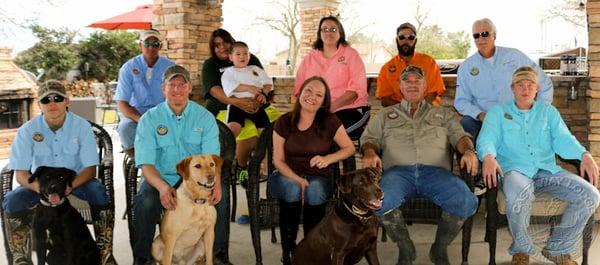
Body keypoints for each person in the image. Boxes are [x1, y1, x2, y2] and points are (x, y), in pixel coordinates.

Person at [477, 66, 600, 265]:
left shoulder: (548, 112)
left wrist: (583, 154)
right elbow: (487, 139)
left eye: (530, 85)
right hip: (514, 171)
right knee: (520, 195)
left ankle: (557, 249)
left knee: (591, 195)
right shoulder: (498, 112)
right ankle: (521, 250)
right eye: (520, 85)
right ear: (513, 88)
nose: (525, 89)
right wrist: (489, 156)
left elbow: (563, 139)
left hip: (546, 170)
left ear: (537, 89)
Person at [361, 66, 479, 265]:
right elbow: (369, 139)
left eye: (418, 81)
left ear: (425, 87)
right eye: (407, 81)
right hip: (397, 174)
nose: (412, 84)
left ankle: (439, 247)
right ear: (400, 87)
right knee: (377, 201)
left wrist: (468, 151)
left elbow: (460, 137)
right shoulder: (385, 114)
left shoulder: (443, 114)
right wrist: (370, 152)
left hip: (436, 174)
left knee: (467, 202)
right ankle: (405, 246)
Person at [3, 80, 116, 265]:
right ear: (39, 104)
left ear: (67, 101)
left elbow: (90, 169)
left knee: (99, 192)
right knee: (12, 200)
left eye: (57, 98)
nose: (52, 103)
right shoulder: (27, 131)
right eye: (46, 100)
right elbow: (21, 174)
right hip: (41, 185)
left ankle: (104, 254)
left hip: (77, 181)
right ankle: (20, 257)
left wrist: (69, 187)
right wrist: (43, 191)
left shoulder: (81, 127)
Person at [132, 65, 221, 265]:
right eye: (172, 85)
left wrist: (216, 184)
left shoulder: (204, 117)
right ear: (163, 88)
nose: (177, 89)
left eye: (182, 84)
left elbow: (213, 160)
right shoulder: (149, 119)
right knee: (145, 202)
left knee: (218, 201)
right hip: (160, 177)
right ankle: (142, 258)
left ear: (190, 88)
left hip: (195, 181)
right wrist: (163, 187)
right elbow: (146, 163)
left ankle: (218, 255)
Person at [268, 76, 355, 265]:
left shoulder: (330, 121)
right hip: (286, 174)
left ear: (324, 101)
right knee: (292, 188)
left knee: (314, 191)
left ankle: (310, 249)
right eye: (308, 90)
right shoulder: (284, 121)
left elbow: (349, 148)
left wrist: (328, 159)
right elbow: (278, 160)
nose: (312, 97)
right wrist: (298, 180)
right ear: (299, 92)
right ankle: (289, 251)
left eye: (319, 94)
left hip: (318, 177)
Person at [201, 28, 280, 190]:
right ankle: (242, 167)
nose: (222, 47)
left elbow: (265, 84)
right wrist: (239, 103)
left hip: (256, 105)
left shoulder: (250, 60)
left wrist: (257, 102)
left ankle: (271, 164)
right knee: (246, 132)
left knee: (278, 124)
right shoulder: (211, 65)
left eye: (225, 42)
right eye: (217, 45)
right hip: (225, 107)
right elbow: (216, 91)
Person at [455, 18, 553, 140]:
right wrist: (480, 115)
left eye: (485, 34)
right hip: (483, 118)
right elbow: (461, 101)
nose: (481, 39)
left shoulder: (515, 57)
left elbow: (544, 83)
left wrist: (537, 113)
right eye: (476, 36)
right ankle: (470, 158)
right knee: (464, 127)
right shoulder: (466, 67)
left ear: (494, 36)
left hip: (517, 115)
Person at [294, 16, 369, 139]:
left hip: (349, 109)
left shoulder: (351, 54)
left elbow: (355, 92)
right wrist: (310, 109)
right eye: (325, 29)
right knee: (291, 133)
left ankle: (341, 157)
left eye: (333, 29)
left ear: (340, 32)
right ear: (320, 34)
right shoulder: (310, 58)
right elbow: (299, 89)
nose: (329, 33)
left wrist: (326, 109)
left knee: (325, 135)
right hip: (316, 110)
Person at [114, 29, 175, 155]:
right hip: (136, 114)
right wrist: (141, 119)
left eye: (155, 44)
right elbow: (122, 102)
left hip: (163, 113)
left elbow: (177, 96)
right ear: (140, 45)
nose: (151, 47)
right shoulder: (128, 68)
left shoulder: (170, 67)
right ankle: (139, 159)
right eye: (147, 43)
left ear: (161, 46)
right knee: (125, 127)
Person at [376, 22, 446, 106]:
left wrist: (417, 109)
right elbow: (385, 100)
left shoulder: (429, 62)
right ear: (396, 40)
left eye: (411, 37)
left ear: (415, 41)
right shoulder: (386, 68)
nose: (406, 41)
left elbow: (433, 93)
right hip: (400, 112)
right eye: (402, 37)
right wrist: (406, 109)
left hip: (428, 109)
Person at [221, 41, 273, 138]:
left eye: (245, 54)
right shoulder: (228, 72)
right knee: (232, 130)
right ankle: (226, 150)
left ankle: (264, 151)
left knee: (266, 133)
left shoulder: (255, 69)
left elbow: (268, 83)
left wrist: (264, 94)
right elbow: (231, 86)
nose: (242, 56)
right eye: (238, 54)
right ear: (231, 57)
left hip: (256, 105)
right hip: (237, 106)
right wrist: (249, 88)